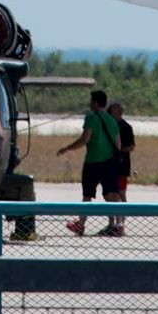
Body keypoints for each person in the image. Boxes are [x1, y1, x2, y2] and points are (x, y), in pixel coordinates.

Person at [56, 89, 122, 236]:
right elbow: (118, 144)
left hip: (93, 162)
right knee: (111, 195)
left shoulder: (91, 117)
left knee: (87, 195)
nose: (89, 103)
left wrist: (67, 148)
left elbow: (84, 139)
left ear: (96, 103)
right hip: (109, 163)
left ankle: (81, 224)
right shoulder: (112, 120)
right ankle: (117, 224)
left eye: (91, 101)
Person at [107, 101, 135, 231]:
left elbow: (131, 147)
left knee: (121, 193)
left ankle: (121, 223)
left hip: (122, 165)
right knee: (110, 194)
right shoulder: (108, 126)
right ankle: (111, 223)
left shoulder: (126, 127)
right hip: (109, 164)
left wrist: (117, 150)